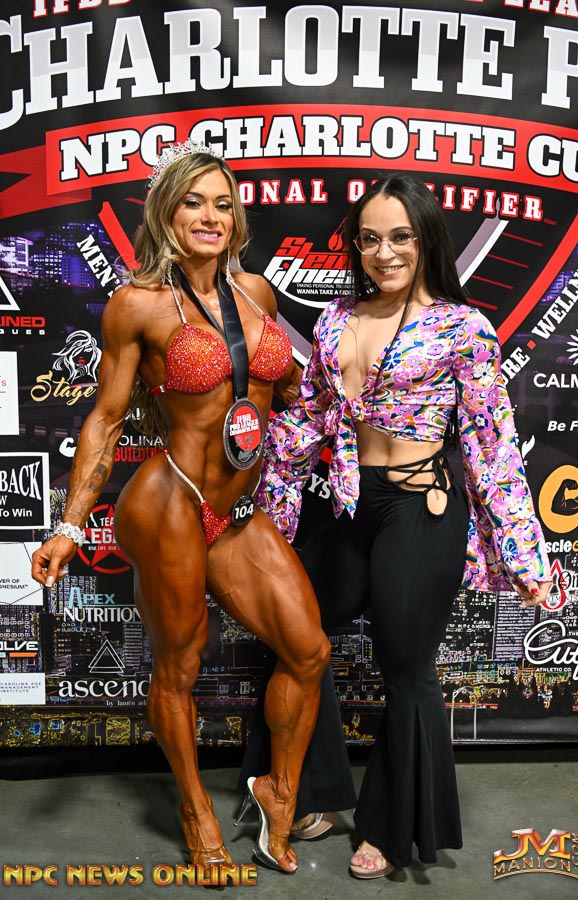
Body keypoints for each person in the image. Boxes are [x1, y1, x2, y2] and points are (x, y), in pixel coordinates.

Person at [31, 141, 331, 875]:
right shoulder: (136, 304)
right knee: (180, 665)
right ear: (167, 213)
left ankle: (278, 790)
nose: (210, 216)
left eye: (223, 204)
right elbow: (105, 420)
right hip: (170, 502)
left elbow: (282, 391)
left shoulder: (256, 293)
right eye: (193, 202)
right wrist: (70, 525)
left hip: (237, 507)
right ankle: (194, 808)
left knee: (309, 650)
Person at [253, 174, 552, 878]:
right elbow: (311, 418)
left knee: (406, 667)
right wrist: (263, 504)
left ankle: (389, 827)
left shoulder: (462, 328)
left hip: (423, 507)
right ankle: (313, 790)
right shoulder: (335, 320)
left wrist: (525, 557)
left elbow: (491, 446)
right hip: (354, 504)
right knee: (295, 631)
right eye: (370, 239)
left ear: (425, 242)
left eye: (399, 238)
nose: (383, 253)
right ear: (356, 246)